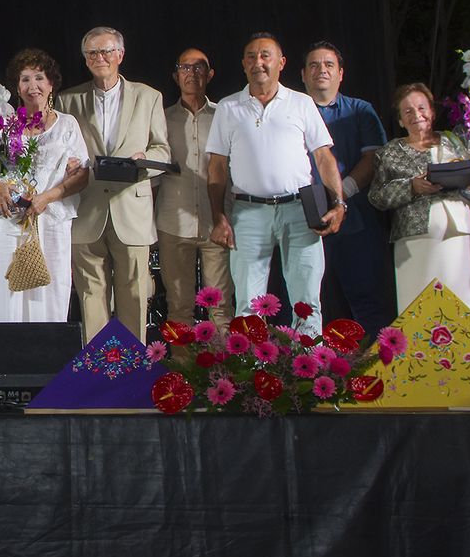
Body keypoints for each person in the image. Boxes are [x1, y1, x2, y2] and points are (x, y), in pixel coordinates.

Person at [205, 33, 345, 334]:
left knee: (307, 300)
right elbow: (216, 168)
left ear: (281, 63)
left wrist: (339, 204)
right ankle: (251, 375)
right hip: (247, 212)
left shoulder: (302, 103)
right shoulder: (228, 108)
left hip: (299, 210)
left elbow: (323, 157)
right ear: (243, 64)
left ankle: (309, 374)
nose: (259, 62)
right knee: (247, 304)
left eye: (266, 55)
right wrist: (218, 217)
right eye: (252, 57)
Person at [56, 26, 171, 342]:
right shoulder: (67, 100)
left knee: (135, 294)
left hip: (131, 207)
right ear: (85, 59)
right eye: (92, 53)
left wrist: (142, 161)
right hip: (86, 209)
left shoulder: (149, 97)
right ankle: (99, 373)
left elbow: (163, 149)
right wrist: (65, 165)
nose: (100, 58)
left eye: (106, 51)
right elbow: (57, 148)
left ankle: (132, 374)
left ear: (120, 54)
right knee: (90, 297)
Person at [0, 50, 89, 326]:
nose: (32, 85)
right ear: (16, 87)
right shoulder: (1, 125)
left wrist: (47, 197)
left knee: (50, 294)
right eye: (25, 79)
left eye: (39, 77)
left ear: (51, 85)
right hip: (6, 222)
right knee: (5, 296)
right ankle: (4, 365)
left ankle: (48, 363)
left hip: (49, 222)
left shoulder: (67, 125)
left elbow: (83, 175)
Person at [369, 84, 470, 315]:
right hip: (415, 240)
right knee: (420, 310)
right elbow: (377, 196)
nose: (416, 115)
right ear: (400, 120)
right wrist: (411, 186)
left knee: (464, 307)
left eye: (421, 108)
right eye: (408, 111)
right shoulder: (389, 152)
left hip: (461, 234)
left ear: (432, 112)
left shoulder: (457, 141)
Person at [301, 42, 392, 332]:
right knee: (311, 303)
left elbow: (373, 157)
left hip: (356, 218)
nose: (321, 70)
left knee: (368, 300)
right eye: (314, 65)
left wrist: (341, 195)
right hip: (303, 219)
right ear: (303, 75)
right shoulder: (292, 111)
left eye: (329, 64)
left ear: (341, 73)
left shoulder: (360, 110)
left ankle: (376, 369)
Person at [154, 48, 233, 327]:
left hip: (218, 223)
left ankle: (223, 370)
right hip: (173, 222)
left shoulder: (225, 115)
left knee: (221, 307)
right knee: (178, 307)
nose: (192, 73)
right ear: (176, 76)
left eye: (199, 67)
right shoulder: (160, 118)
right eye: (185, 68)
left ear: (209, 74)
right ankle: (183, 370)